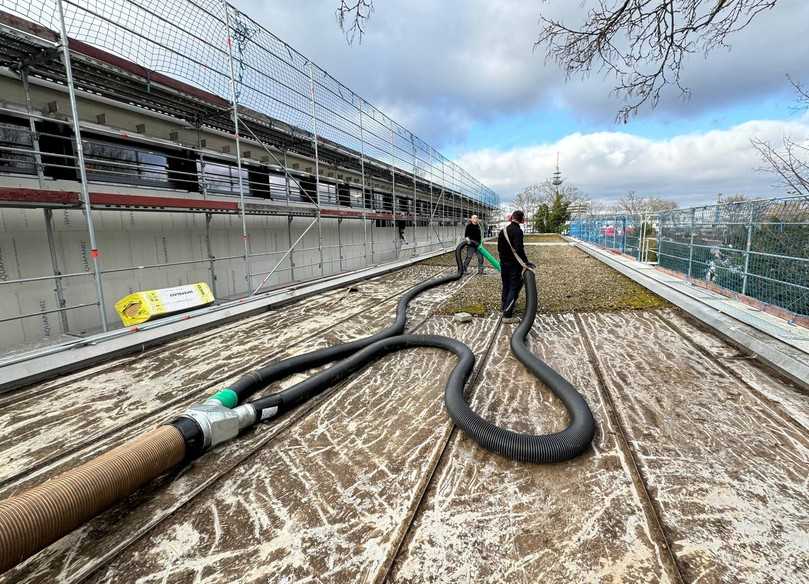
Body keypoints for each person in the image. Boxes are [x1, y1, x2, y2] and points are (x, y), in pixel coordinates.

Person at [497, 209, 535, 323]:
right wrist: (526, 262)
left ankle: (504, 307)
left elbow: (499, 248)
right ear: (521, 219)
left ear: (512, 218)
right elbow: (519, 249)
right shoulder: (518, 231)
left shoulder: (503, 230)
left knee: (506, 285)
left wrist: (504, 259)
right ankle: (507, 315)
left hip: (503, 263)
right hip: (514, 265)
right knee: (514, 286)